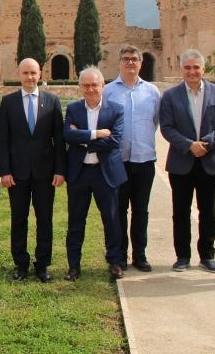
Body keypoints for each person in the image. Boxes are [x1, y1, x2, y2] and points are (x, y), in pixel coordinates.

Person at [0, 58, 65, 283]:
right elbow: (2, 140)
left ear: (40, 74)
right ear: (19, 74)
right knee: (19, 218)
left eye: (33, 73)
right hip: (17, 173)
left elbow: (59, 139)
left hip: (45, 173)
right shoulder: (8, 103)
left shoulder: (52, 101)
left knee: (44, 218)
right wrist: (4, 171)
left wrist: (59, 170)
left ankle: (43, 264)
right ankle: (21, 263)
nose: (29, 77)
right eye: (25, 73)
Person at [159, 49, 215, 273]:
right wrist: (189, 145)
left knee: (208, 211)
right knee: (180, 212)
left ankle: (207, 255)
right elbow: (167, 128)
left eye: (196, 67)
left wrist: (204, 144)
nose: (192, 72)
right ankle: (183, 256)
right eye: (187, 67)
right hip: (181, 162)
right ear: (181, 70)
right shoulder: (170, 96)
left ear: (203, 69)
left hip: (210, 161)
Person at [64, 67, 127, 281]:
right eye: (86, 85)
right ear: (80, 87)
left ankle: (115, 262)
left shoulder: (116, 110)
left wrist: (83, 140)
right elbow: (67, 135)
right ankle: (73, 266)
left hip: (105, 173)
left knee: (111, 219)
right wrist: (96, 134)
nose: (90, 89)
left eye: (94, 85)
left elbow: (116, 140)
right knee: (76, 221)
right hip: (79, 173)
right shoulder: (73, 109)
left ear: (103, 86)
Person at [103, 45, 161, 272]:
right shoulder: (108, 91)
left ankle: (140, 255)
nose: (130, 63)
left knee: (141, 210)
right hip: (117, 160)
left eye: (134, 59)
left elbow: (154, 121)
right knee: (118, 210)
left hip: (144, 159)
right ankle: (118, 256)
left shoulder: (152, 92)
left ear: (141, 62)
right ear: (119, 62)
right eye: (126, 59)